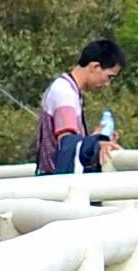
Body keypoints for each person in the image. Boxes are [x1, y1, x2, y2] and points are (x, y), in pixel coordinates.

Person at [35, 37, 124, 178]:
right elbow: (67, 143)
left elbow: (72, 144)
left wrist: (95, 138)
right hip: (54, 184)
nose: (107, 84)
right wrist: (96, 144)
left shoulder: (69, 90)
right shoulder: (65, 93)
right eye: (109, 77)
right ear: (95, 67)